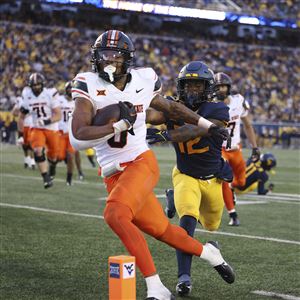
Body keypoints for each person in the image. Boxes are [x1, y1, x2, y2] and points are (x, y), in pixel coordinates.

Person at [69, 30, 234, 300]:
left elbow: (171, 109)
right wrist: (118, 125)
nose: (110, 61)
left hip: (140, 163)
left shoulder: (144, 79)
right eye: (104, 55)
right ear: (95, 58)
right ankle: (210, 253)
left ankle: (155, 286)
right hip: (112, 173)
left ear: (127, 59)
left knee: (115, 215)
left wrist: (205, 125)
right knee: (164, 231)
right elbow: (77, 137)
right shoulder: (86, 84)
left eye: (116, 56)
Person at [147, 61, 233, 297]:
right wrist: (131, 110)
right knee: (187, 225)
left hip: (212, 179)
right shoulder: (174, 107)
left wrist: (164, 134)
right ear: (181, 86)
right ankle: (184, 278)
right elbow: (151, 114)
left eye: (198, 85)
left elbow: (197, 129)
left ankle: (210, 246)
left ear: (208, 88)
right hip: (185, 175)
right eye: (189, 85)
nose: (193, 90)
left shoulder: (218, 110)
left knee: (212, 225)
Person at [214, 72, 260, 226]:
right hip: (220, 150)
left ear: (228, 87)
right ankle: (233, 214)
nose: (220, 89)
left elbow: (247, 125)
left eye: (223, 86)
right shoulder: (211, 106)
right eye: (217, 86)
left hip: (236, 148)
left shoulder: (238, 101)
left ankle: (232, 189)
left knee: (240, 182)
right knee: (225, 179)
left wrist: (255, 147)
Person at [18, 73, 61, 188]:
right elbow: (21, 117)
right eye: (34, 85)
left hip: (52, 129)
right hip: (36, 128)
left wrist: (46, 121)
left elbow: (58, 115)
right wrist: (20, 135)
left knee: (53, 157)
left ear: (42, 84)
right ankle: (46, 178)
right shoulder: (27, 96)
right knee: (37, 151)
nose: (36, 87)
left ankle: (52, 166)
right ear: (30, 86)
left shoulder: (50, 94)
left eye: (38, 84)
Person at [57, 81, 77, 186]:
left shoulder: (78, 101)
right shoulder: (59, 100)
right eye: (69, 89)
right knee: (57, 157)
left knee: (71, 156)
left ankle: (69, 179)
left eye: (72, 89)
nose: (71, 91)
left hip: (71, 132)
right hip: (60, 131)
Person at [12, 97, 35, 169]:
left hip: (32, 125)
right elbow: (14, 112)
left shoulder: (35, 98)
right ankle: (27, 159)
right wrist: (21, 112)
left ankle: (32, 161)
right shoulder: (20, 100)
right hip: (23, 126)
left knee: (31, 143)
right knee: (24, 144)